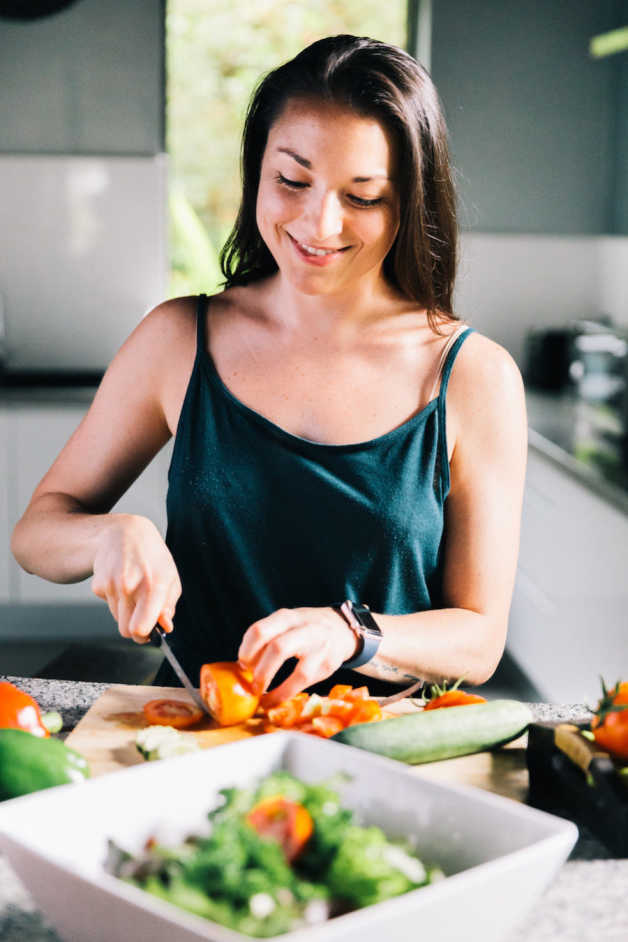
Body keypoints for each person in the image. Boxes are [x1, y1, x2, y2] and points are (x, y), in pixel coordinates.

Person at [11, 35, 527, 707]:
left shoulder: (473, 376)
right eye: (292, 181)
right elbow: (36, 535)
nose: (319, 222)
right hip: (197, 732)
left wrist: (353, 634)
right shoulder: (177, 340)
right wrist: (113, 532)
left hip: (388, 750)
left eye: (362, 196)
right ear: (258, 170)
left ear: (410, 204)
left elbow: (479, 639)